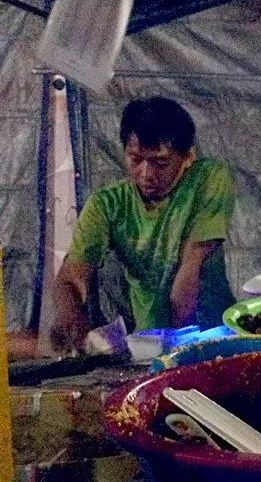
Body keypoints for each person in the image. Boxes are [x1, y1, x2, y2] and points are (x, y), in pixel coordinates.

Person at [50, 97, 236, 353]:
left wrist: (180, 352)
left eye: (160, 163)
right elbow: (70, 278)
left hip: (214, 337)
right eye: (135, 159)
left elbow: (188, 275)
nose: (146, 174)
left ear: (187, 157)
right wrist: (70, 314)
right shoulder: (107, 204)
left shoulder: (210, 178)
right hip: (150, 344)